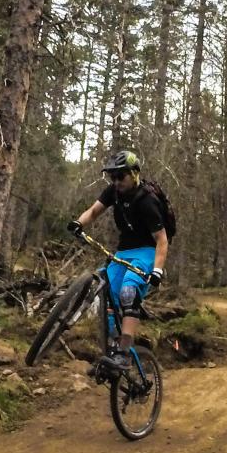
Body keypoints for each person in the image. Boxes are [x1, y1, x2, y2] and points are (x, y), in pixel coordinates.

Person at [68, 149, 167, 379]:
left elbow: (162, 239)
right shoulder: (113, 192)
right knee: (107, 294)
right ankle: (112, 351)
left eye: (120, 176)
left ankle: (124, 350)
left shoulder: (147, 200)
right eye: (112, 177)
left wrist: (157, 271)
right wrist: (78, 223)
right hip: (123, 252)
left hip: (146, 253)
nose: (116, 181)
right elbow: (93, 211)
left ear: (134, 174)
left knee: (128, 291)